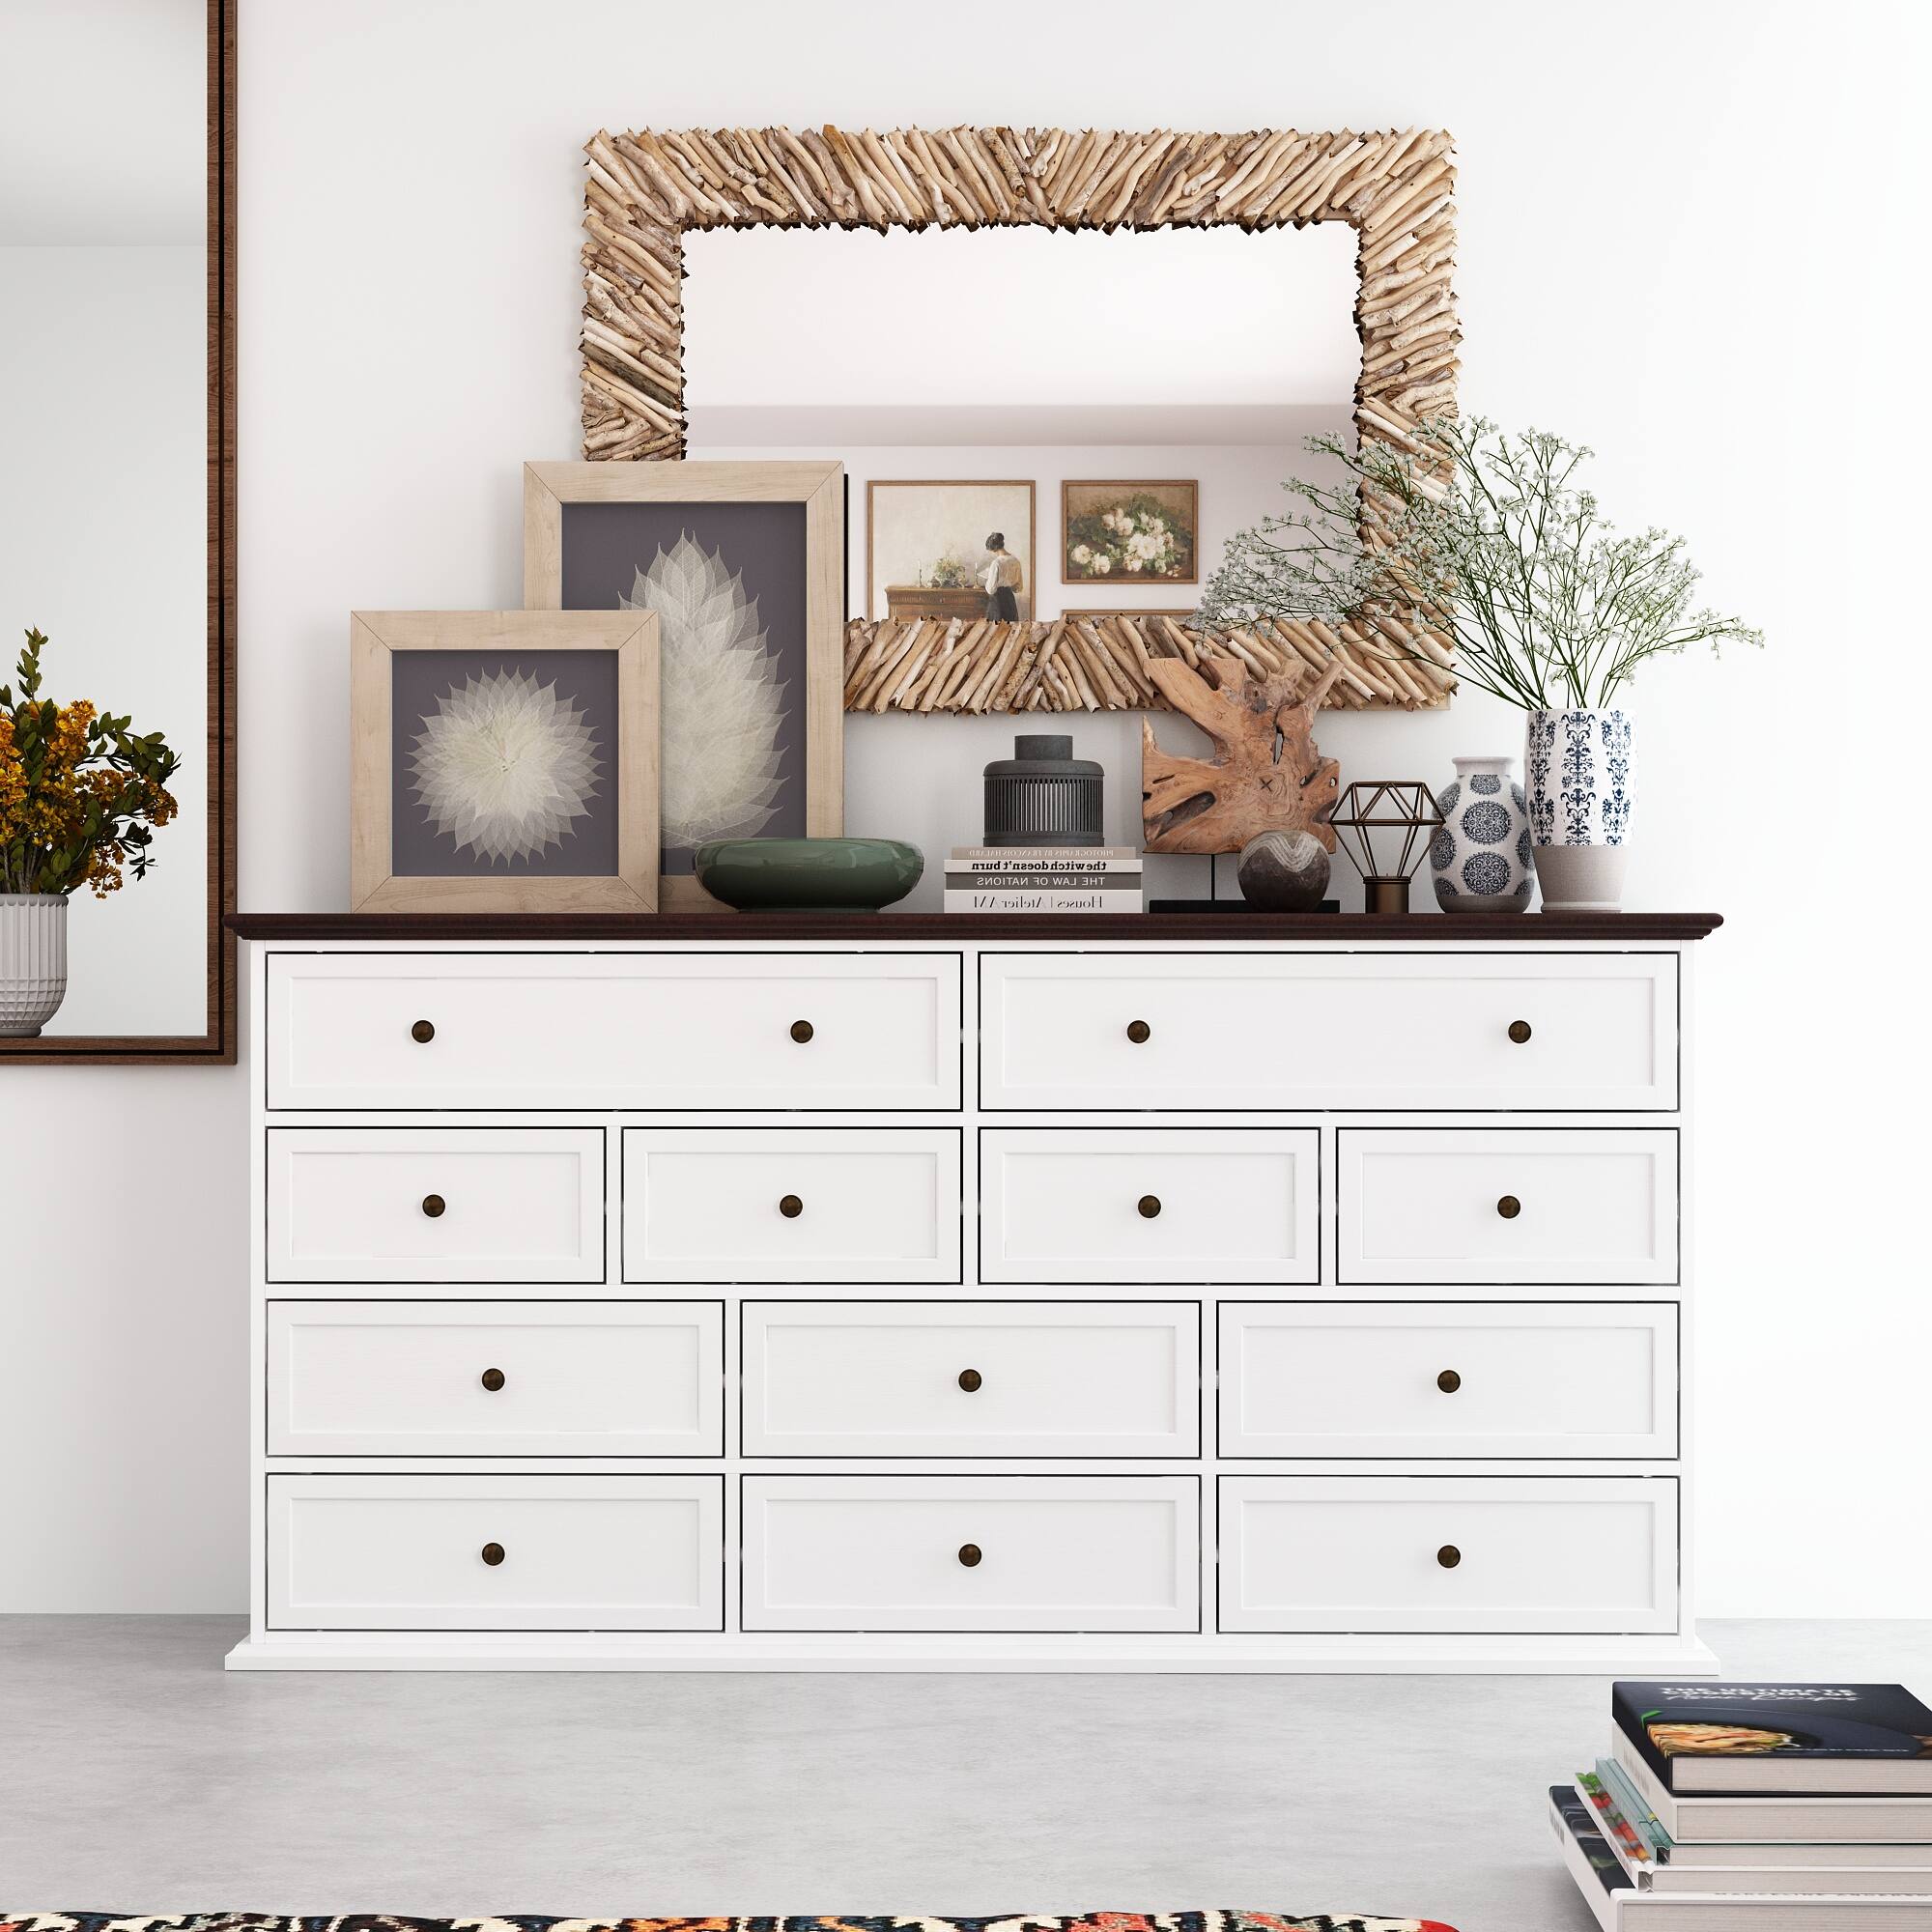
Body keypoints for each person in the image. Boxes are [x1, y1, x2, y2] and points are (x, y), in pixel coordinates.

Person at [980, 532, 1024, 621]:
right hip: (1010, 600)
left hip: (997, 602)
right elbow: (1018, 588)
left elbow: (990, 589)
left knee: (996, 627)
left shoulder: (996, 563)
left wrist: (987, 579)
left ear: (993, 549)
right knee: (1009, 626)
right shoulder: (1016, 561)